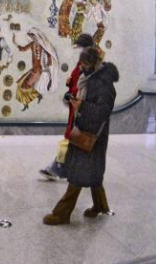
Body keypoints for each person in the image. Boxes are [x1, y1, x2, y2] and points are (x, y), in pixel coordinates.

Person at [43, 47, 118, 225]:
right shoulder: (91, 78)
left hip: (93, 135)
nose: (82, 68)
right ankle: (100, 205)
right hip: (84, 129)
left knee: (78, 174)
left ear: (94, 64)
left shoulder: (104, 84)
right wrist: (73, 99)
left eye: (85, 65)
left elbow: (103, 112)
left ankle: (61, 213)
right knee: (94, 172)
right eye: (81, 64)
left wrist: (81, 106)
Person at [40, 33, 95, 180]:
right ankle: (60, 168)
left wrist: (74, 96)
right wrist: (69, 94)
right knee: (74, 139)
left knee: (75, 140)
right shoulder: (82, 62)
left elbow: (87, 86)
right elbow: (75, 82)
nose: (78, 50)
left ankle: (58, 167)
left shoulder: (91, 65)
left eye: (81, 47)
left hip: (82, 108)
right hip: (75, 107)